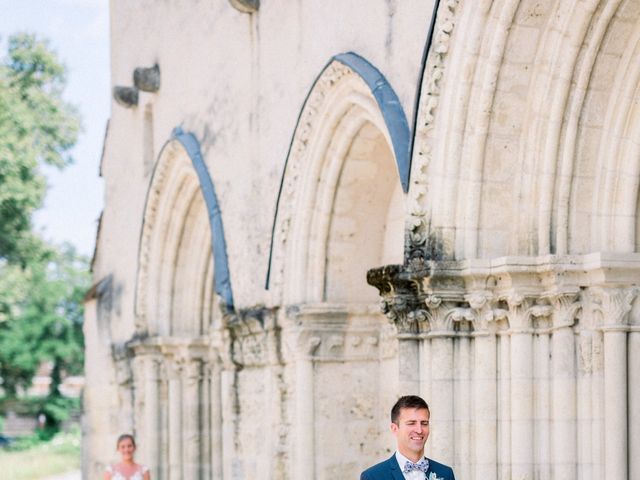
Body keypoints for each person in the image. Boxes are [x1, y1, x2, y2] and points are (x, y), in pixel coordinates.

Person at [360, 395, 455, 480]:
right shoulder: (373, 477)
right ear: (394, 429)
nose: (419, 430)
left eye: (424, 423)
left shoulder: (446, 474)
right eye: (411, 423)